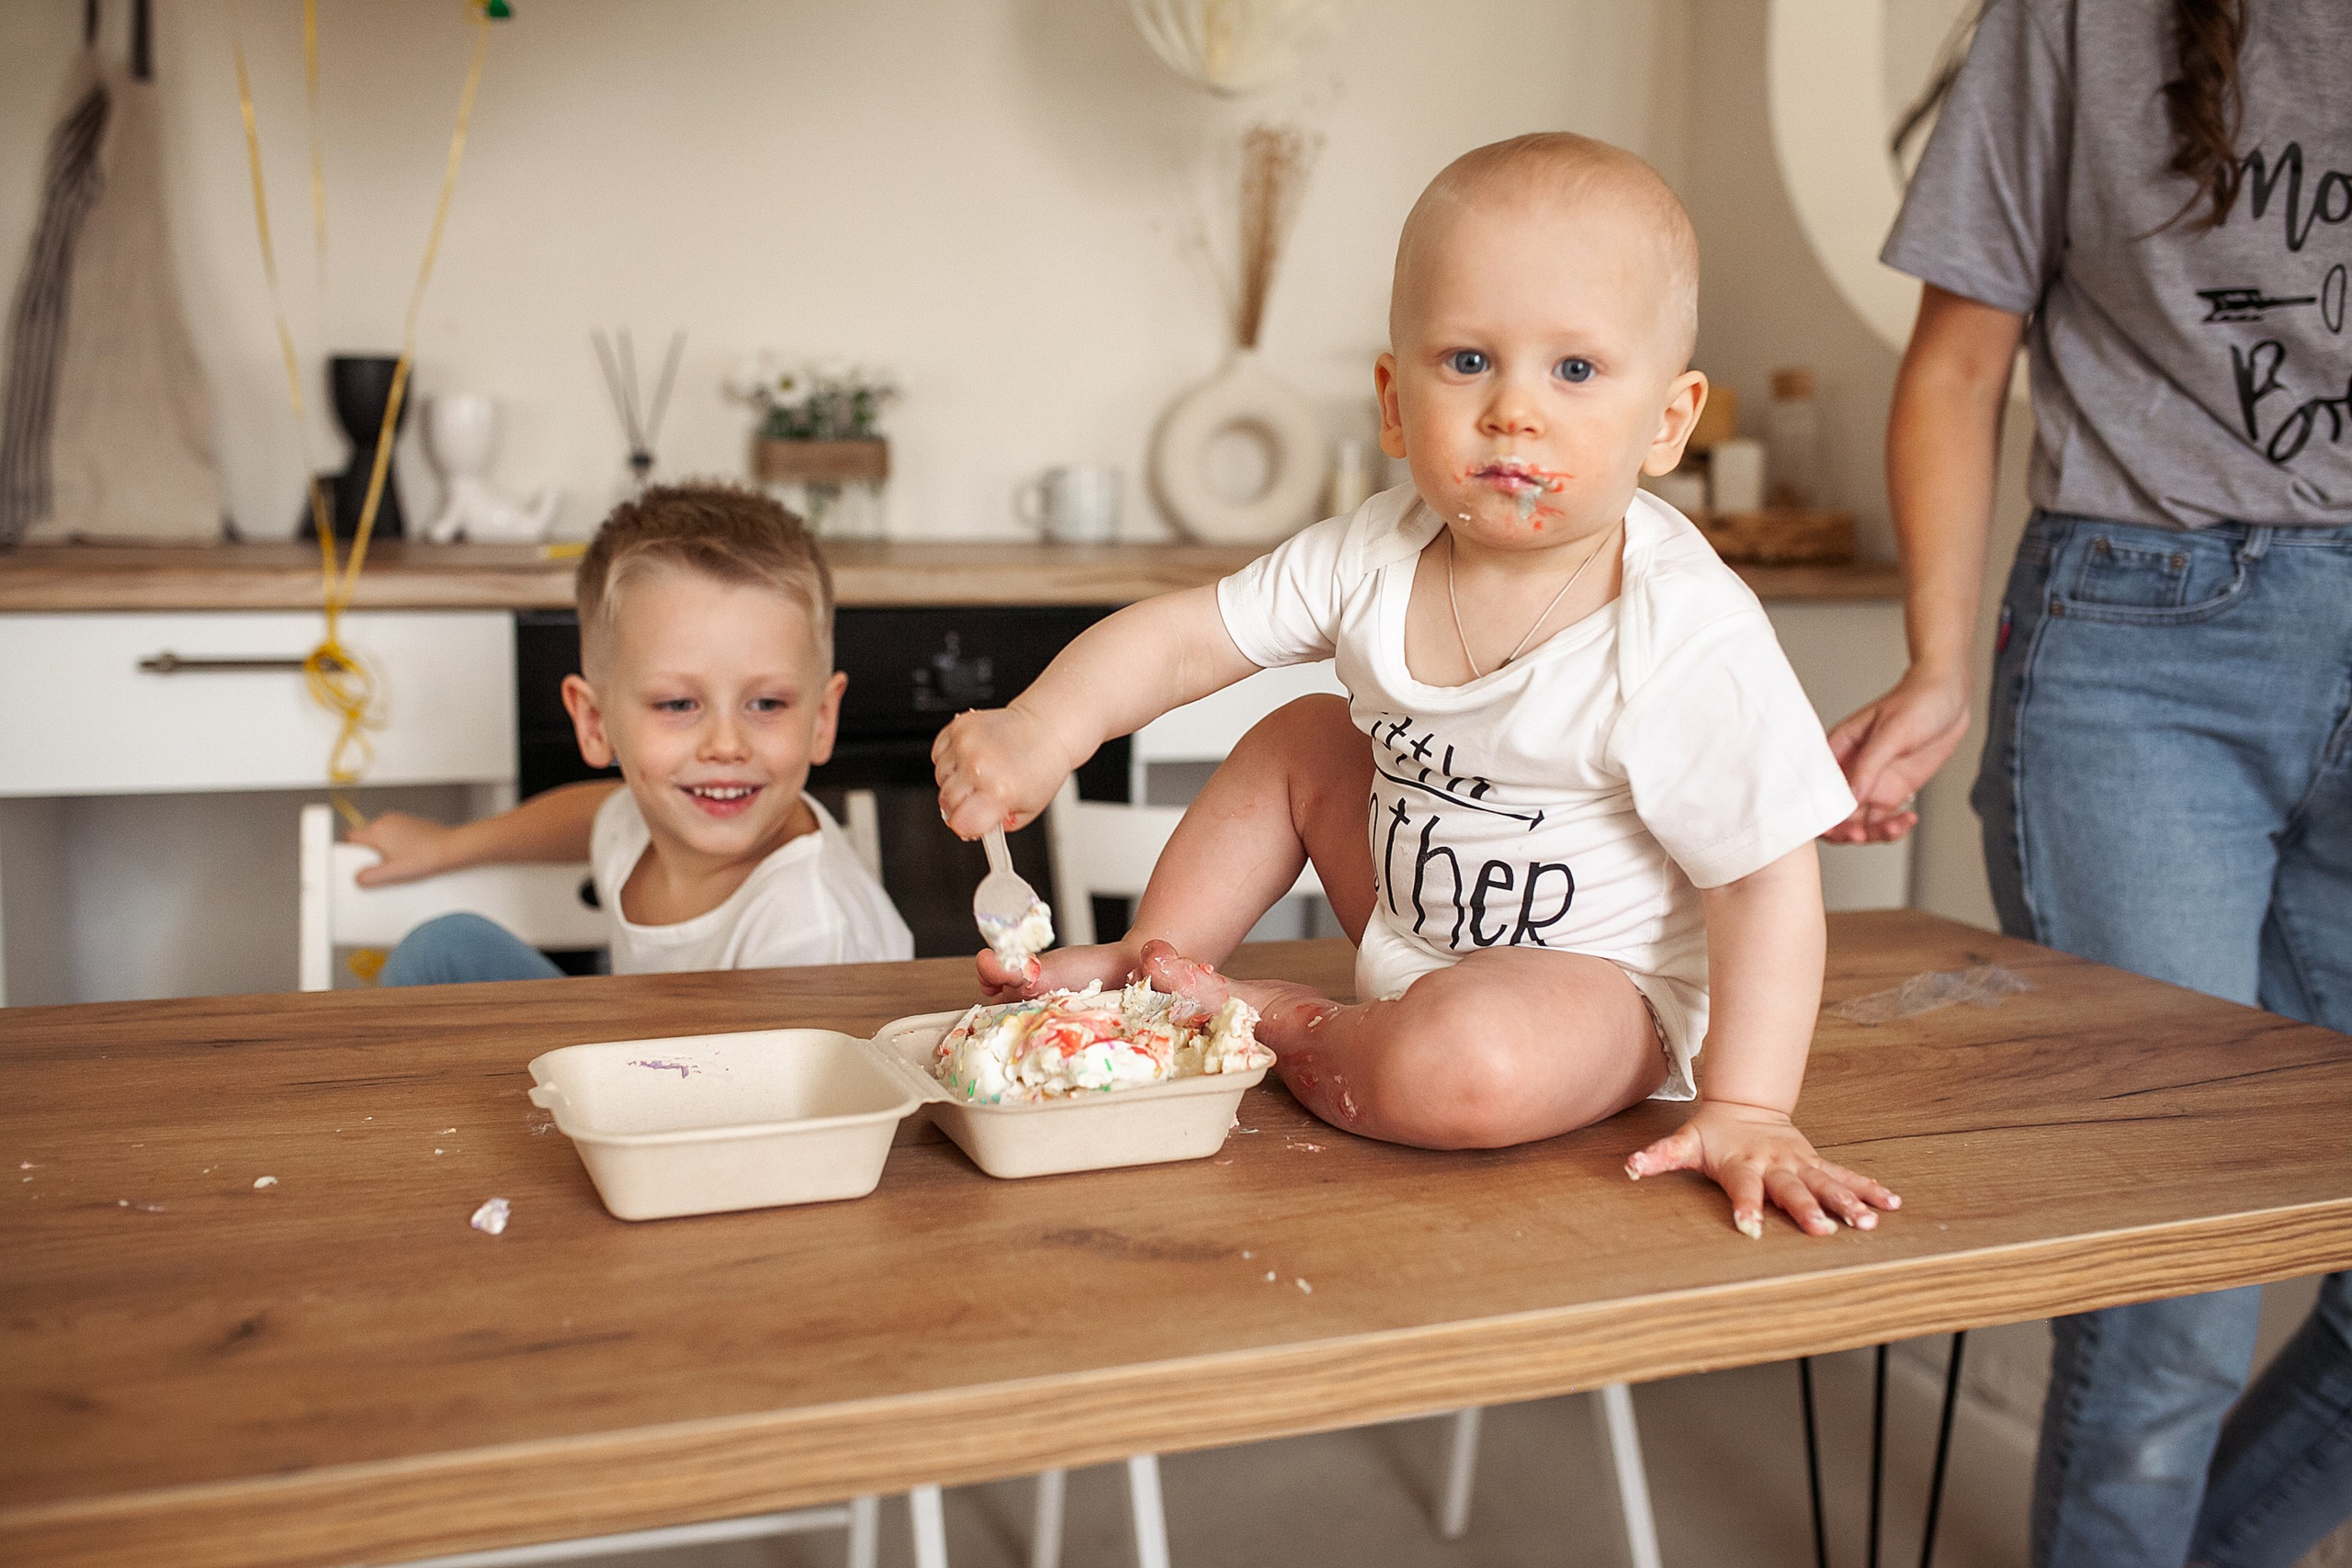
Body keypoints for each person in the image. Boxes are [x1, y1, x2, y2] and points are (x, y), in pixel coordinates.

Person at [934, 133, 1898, 1240]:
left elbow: (1764, 883)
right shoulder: (1374, 550)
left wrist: (1747, 1105)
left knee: (1468, 1066)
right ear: (1395, 403)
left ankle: (1279, 1022)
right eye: (1468, 362)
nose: (1513, 411)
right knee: (1300, 737)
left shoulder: (1678, 625)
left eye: (1574, 370)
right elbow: (1183, 640)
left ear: (1668, 422)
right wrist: (1041, 728)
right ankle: (1159, 966)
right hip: (1408, 921)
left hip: (1598, 995)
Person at [1824, 2, 2352, 1562]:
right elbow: (1957, 362)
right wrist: (1940, 663)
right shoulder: (2084, 18)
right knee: (2177, 1289)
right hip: (2146, 644)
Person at [353, 482, 911, 980]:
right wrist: (452, 844)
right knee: (445, 949)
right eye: (678, 704)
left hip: (753, 1095)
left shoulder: (807, 936)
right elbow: (599, 814)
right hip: (653, 1066)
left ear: (822, 719)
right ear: (596, 723)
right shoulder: (644, 820)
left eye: (766, 703)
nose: (726, 745)